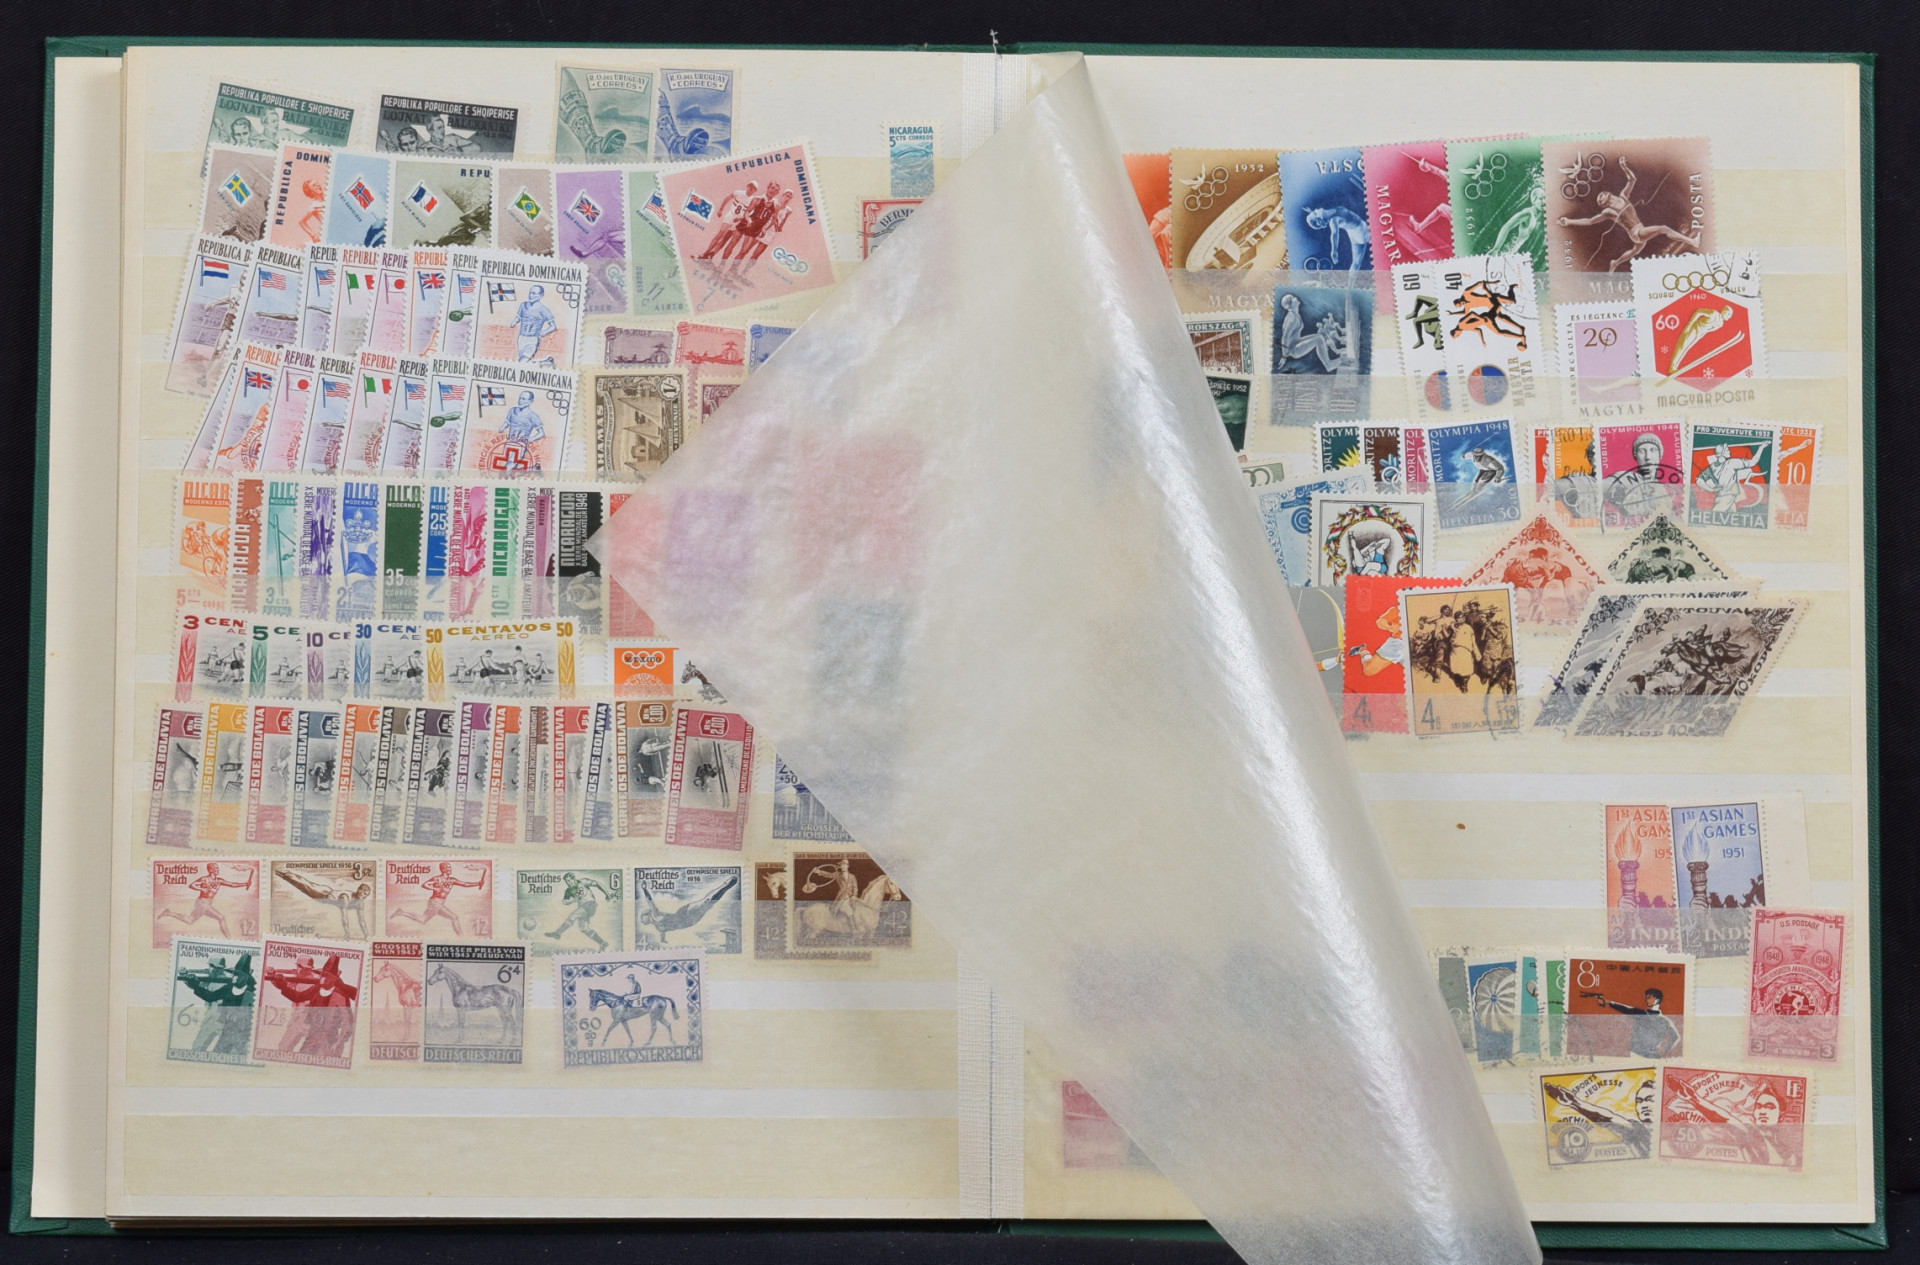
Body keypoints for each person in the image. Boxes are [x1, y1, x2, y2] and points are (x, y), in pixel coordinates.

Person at [1555, 157, 1703, 270]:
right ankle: (1692, 242)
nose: (1601, 195)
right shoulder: (1609, 212)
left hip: (1639, 231)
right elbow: (1590, 221)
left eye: (1601, 194)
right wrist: (1568, 221)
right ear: (1603, 203)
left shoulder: (1623, 196)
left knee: (1634, 251)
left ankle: (1615, 263)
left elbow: (1632, 179)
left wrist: (1624, 167)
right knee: (1662, 228)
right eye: (1600, 198)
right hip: (1636, 232)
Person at [1581, 985, 1682, 1058]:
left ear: (1657, 1000)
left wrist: (1664, 1049)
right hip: (1637, 1054)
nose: (1646, 1000)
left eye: (1649, 998)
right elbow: (1626, 1009)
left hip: (1646, 1056)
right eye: (1646, 998)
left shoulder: (1661, 1020)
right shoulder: (1662, 1020)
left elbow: (1675, 1037)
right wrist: (1608, 1002)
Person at [156, 862, 252, 937]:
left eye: (217, 868)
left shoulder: (219, 880)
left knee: (190, 920)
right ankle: (229, 939)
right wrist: (202, 889)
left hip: (206, 904)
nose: (217, 869)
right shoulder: (204, 879)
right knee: (221, 918)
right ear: (210, 870)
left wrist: (245, 884)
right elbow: (192, 885)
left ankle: (169, 913)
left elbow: (232, 884)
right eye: (215, 868)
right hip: (202, 903)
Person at [388, 861, 485, 935]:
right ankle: (461, 937)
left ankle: (402, 912)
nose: (450, 869)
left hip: (438, 903)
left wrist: (477, 883)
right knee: (454, 917)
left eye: (450, 867)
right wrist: (435, 888)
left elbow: (464, 884)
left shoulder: (452, 880)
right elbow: (425, 884)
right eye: (448, 867)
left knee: (422, 920)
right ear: (443, 869)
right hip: (435, 903)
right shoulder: (437, 879)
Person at [546, 871, 611, 950]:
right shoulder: (568, 890)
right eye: (566, 881)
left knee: (573, 915)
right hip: (583, 909)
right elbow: (564, 902)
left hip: (590, 904)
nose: (568, 883)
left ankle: (558, 932)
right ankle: (602, 943)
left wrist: (607, 895)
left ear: (573, 879)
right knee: (584, 929)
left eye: (569, 880)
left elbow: (597, 884)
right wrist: (572, 900)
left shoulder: (582, 882)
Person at [1347, 602, 1407, 677]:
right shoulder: (1397, 610)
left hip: (1416, 644)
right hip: (1398, 645)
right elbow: (1380, 621)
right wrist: (1390, 627)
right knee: (1369, 670)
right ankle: (1362, 649)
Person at [513, 285, 557, 362]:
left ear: (541, 295)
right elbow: (518, 317)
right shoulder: (523, 305)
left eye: (534, 293)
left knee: (523, 361)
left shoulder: (544, 310)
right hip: (521, 338)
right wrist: (514, 322)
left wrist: (544, 332)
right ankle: (546, 362)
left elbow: (553, 326)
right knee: (524, 361)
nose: (531, 295)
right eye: (530, 293)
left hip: (533, 339)